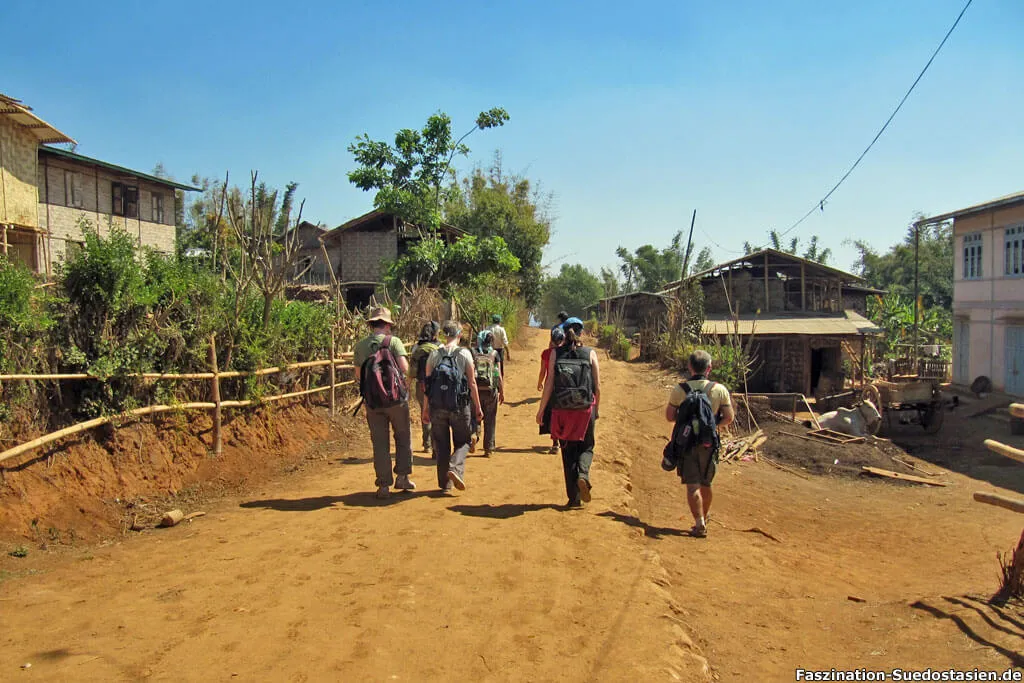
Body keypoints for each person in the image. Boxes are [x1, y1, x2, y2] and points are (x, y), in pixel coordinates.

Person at [664, 349, 734, 538]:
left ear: (689, 367)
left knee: (692, 485)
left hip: (686, 442)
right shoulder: (719, 389)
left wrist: (686, 422)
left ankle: (699, 522)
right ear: (709, 368)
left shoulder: (680, 390)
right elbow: (729, 417)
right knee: (706, 483)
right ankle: (704, 515)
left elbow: (670, 416)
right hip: (709, 442)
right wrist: (712, 425)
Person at [536, 319, 601, 508]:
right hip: (585, 410)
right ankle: (583, 474)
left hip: (562, 410)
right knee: (587, 446)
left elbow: (549, 383)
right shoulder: (590, 353)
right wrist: (596, 410)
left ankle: (574, 499)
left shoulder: (555, 353)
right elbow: (597, 386)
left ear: (564, 334)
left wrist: (541, 410)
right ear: (582, 333)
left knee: (567, 451)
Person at [353, 307, 416, 499]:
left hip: (373, 401)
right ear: (388, 325)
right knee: (403, 437)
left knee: (380, 442)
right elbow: (405, 369)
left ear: (371, 324)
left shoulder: (360, 346)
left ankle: (383, 486)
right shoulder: (394, 342)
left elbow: (358, 375)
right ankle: (402, 477)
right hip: (396, 400)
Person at [423, 321, 484, 493]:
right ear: (459, 334)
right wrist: (478, 407)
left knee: (441, 445)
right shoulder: (464, 353)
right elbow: (472, 382)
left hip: (437, 406)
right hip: (459, 405)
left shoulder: (434, 354)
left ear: (444, 334)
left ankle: (445, 485)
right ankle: (455, 468)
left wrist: (425, 409)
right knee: (464, 441)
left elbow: (427, 385)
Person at [408, 321, 441, 456]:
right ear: (435, 334)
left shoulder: (416, 347)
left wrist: (407, 386)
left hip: (421, 385)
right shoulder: (440, 347)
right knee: (436, 415)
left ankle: (427, 444)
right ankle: (435, 447)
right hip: (437, 386)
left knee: (424, 411)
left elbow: (411, 370)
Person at [473, 331, 504, 457]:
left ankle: (474, 434)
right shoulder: (494, 354)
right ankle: (489, 448)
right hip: (491, 391)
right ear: (492, 341)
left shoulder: (473, 352)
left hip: (476, 390)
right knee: (490, 419)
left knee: (475, 415)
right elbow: (498, 374)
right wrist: (502, 391)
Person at [537, 326, 564, 454]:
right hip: (564, 387)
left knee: (553, 414)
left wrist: (539, 383)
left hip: (550, 387)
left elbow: (543, 371)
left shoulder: (547, 353)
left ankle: (555, 443)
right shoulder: (566, 352)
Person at [488, 314, 511, 378]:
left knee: (490, 366)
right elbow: (505, 343)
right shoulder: (501, 330)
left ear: (492, 321)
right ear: (499, 321)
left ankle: (491, 379)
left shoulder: (488, 328)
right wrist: (508, 353)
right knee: (499, 367)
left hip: (490, 350)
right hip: (499, 351)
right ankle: (500, 381)